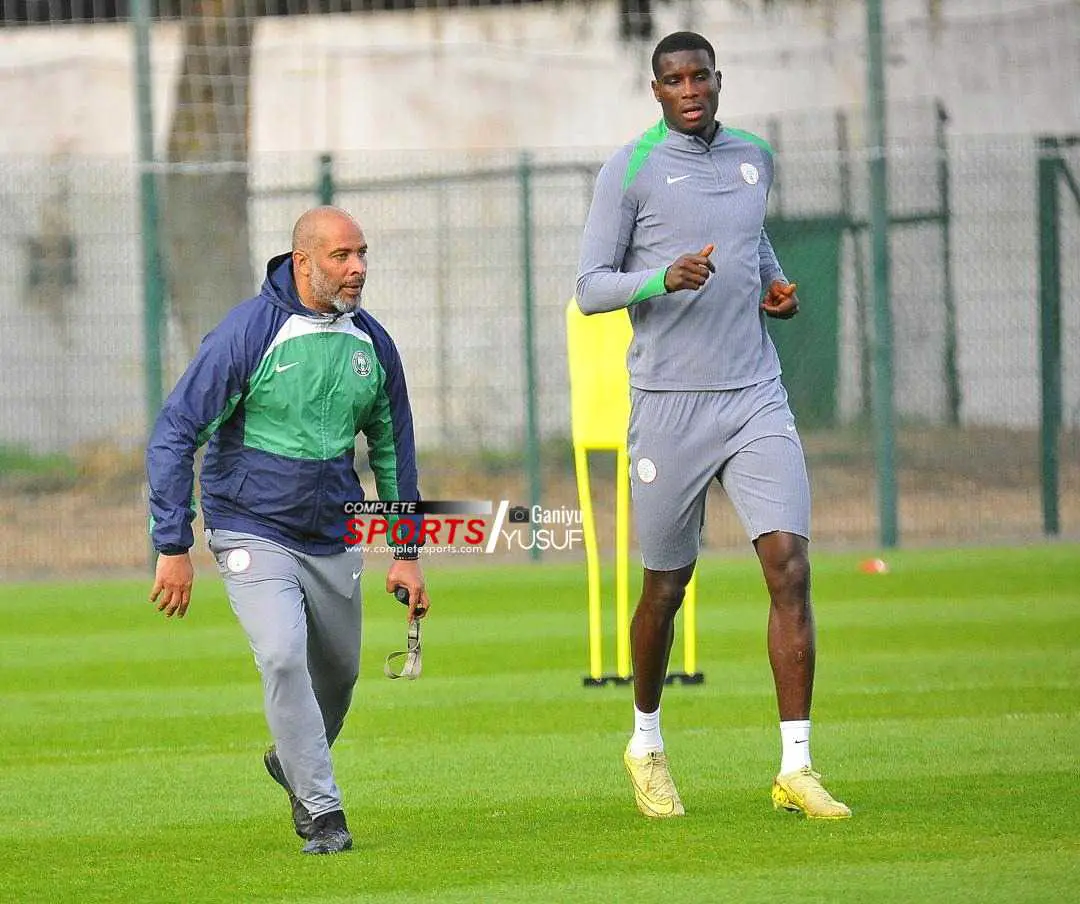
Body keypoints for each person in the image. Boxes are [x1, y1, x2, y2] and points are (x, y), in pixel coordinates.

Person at [576, 31, 850, 820]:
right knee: (667, 586)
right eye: (674, 79)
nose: (689, 88)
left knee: (789, 566)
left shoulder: (755, 156)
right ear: (655, 89)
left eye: (700, 76)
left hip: (754, 393)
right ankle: (646, 741)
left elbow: (752, 236)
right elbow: (592, 287)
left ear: (718, 82)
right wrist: (664, 277)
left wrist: (774, 285)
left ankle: (796, 765)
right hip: (669, 405)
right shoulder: (628, 169)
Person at [146, 206, 431, 854]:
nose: (357, 267)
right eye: (341, 256)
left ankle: (292, 761)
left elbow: (393, 450)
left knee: (339, 676)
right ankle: (323, 813)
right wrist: (173, 543)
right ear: (303, 262)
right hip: (251, 527)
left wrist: (407, 553)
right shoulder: (248, 333)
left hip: (333, 533)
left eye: (362, 253)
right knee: (280, 654)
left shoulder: (374, 343)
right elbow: (175, 432)